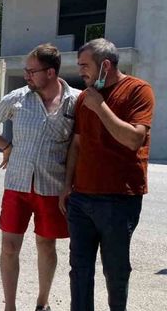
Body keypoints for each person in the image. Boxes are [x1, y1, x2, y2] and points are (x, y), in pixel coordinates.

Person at [0, 43, 80, 311]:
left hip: (51, 187)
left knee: (46, 246)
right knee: (9, 247)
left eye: (32, 71)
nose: (26, 76)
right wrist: (6, 146)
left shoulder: (76, 101)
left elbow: (79, 146)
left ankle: (42, 303)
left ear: (51, 72)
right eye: (26, 70)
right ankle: (9, 306)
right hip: (17, 186)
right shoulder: (18, 98)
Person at [59, 38, 154, 311]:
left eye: (85, 66)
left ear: (106, 66)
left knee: (115, 271)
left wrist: (100, 106)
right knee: (79, 271)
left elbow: (134, 139)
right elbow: (76, 144)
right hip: (81, 199)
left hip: (119, 200)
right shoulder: (84, 97)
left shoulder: (138, 90)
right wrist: (67, 186)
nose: (81, 71)